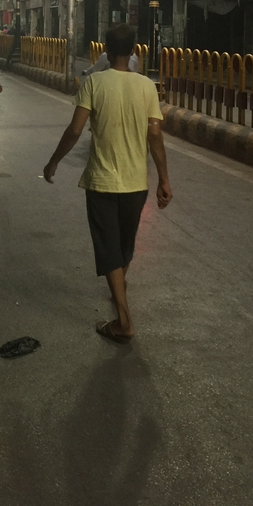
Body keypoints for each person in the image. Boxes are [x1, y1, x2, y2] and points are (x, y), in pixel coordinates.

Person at [43, 24, 173, 345]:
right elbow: (154, 133)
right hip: (136, 183)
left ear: (105, 49)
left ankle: (124, 321)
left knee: (108, 245)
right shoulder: (147, 86)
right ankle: (119, 289)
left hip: (102, 181)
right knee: (124, 245)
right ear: (134, 49)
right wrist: (164, 179)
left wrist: (54, 161)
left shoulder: (93, 83)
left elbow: (75, 131)